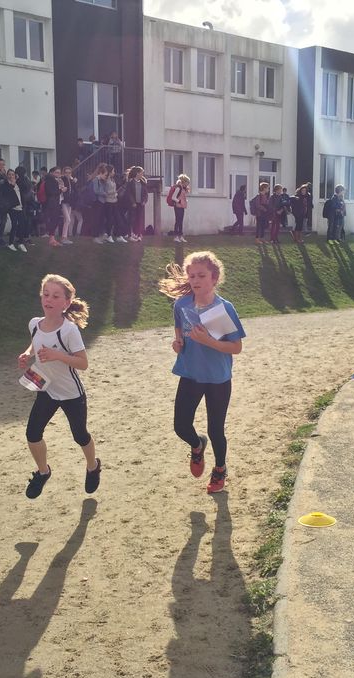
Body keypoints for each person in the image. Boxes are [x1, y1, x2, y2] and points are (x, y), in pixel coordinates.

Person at [158, 251, 245, 494]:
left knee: (216, 430)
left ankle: (220, 469)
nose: (195, 280)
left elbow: (236, 347)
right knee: (180, 426)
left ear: (214, 278)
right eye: (192, 275)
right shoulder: (182, 304)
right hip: (190, 374)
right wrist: (177, 343)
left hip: (218, 378)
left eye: (202, 275)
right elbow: (179, 329)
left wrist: (209, 341)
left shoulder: (223, 309)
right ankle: (197, 446)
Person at [17, 274, 101, 499]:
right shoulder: (34, 324)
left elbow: (83, 364)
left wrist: (58, 355)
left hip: (71, 393)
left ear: (66, 303)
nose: (49, 299)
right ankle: (43, 472)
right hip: (46, 389)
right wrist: (27, 354)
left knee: (80, 435)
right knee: (32, 434)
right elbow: (36, 342)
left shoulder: (69, 330)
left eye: (55, 296)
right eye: (46, 294)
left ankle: (93, 466)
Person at [124, 166, 148, 242]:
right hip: (133, 204)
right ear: (137, 173)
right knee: (131, 219)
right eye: (141, 173)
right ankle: (130, 234)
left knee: (139, 219)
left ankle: (138, 234)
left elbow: (145, 194)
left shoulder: (143, 183)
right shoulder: (130, 183)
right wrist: (133, 202)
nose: (142, 174)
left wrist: (144, 201)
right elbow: (129, 193)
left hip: (140, 204)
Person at [169, 173, 190, 243]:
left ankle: (181, 236)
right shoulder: (178, 188)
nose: (188, 184)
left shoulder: (183, 188)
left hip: (182, 206)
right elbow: (173, 197)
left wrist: (184, 201)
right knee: (177, 221)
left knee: (181, 221)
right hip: (177, 206)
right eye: (187, 182)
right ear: (184, 181)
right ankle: (176, 237)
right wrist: (180, 201)